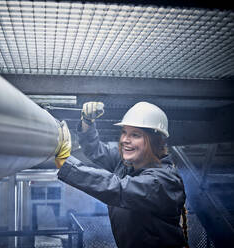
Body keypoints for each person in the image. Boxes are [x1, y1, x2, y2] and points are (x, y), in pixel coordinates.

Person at [54, 101, 188, 248]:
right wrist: (87, 122)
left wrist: (66, 164)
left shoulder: (163, 181)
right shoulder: (127, 164)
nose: (125, 140)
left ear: (155, 141)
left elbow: (119, 188)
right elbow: (96, 151)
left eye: (135, 135)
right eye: (124, 132)